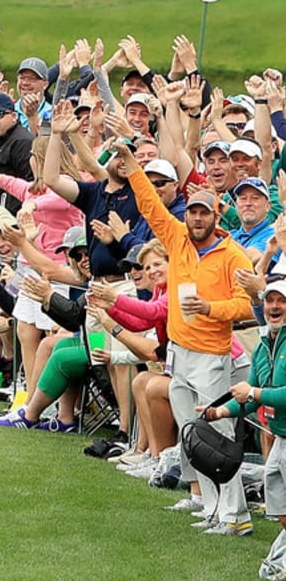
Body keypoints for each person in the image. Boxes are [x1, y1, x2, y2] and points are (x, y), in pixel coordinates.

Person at [113, 136, 255, 535]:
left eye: (202, 213)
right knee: (193, 436)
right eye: (191, 212)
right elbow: (150, 207)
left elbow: (247, 306)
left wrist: (211, 309)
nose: (195, 219)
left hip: (212, 355)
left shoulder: (232, 256)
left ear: (215, 217)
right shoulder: (177, 240)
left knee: (218, 435)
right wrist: (130, 164)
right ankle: (212, 508)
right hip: (179, 353)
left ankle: (236, 516)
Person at [205, 279, 286, 581]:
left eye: (281, 301)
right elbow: (250, 392)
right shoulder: (265, 344)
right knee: (279, 505)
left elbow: (257, 393)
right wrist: (220, 411)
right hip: (280, 436)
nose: (274, 307)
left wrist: (254, 394)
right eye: (269, 301)